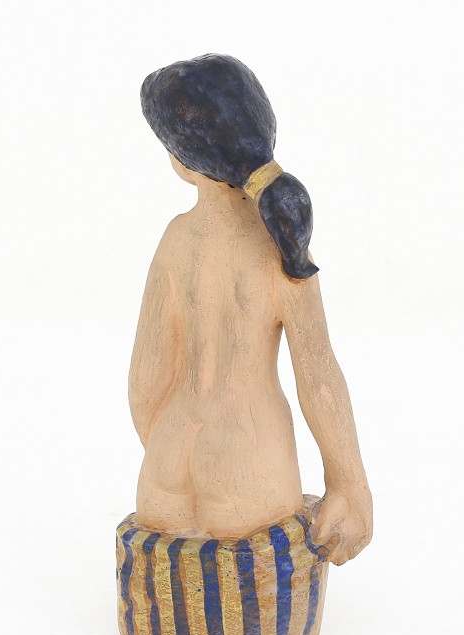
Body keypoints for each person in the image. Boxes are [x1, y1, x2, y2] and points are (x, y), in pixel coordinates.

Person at [129, 54, 372, 569]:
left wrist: (167, 448)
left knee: (171, 587)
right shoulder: (282, 247)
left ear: (181, 160)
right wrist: (349, 485)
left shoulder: (176, 240)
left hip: (169, 452)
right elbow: (318, 376)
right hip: (248, 455)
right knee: (258, 591)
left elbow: (146, 380)